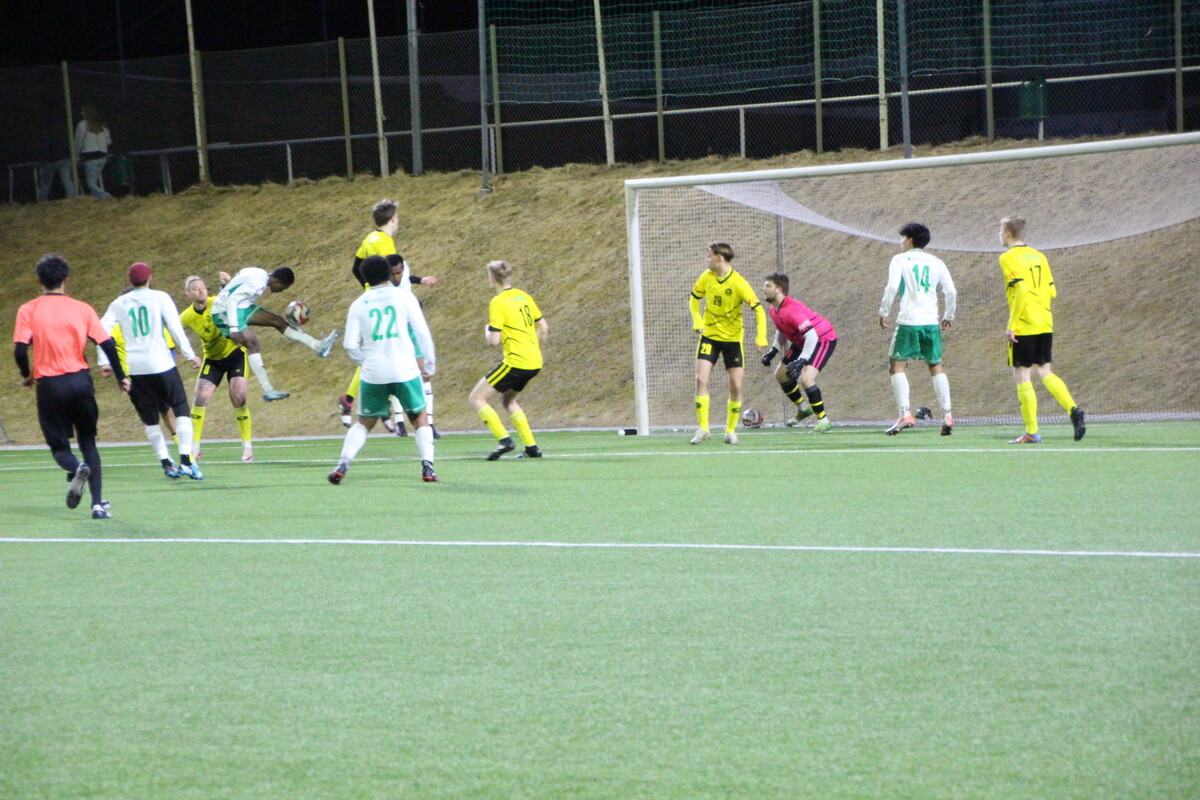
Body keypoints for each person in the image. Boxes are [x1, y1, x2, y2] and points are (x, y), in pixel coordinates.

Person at [13, 254, 130, 518]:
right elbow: (107, 343)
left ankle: (76, 468)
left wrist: (26, 374)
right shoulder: (82, 309)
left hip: (49, 385)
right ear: (65, 279)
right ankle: (97, 505)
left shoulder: (28, 310)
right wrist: (121, 376)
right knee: (88, 442)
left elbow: (20, 350)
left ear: (39, 281)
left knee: (59, 448)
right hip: (80, 382)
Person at [328, 255, 438, 484]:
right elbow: (421, 331)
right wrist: (429, 365)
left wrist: (365, 362)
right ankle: (428, 467)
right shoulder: (404, 297)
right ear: (388, 272)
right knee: (419, 418)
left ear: (365, 278)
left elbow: (349, 344)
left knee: (364, 421)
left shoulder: (358, 304)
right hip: (405, 368)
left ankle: (343, 463)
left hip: (374, 372)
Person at [336, 198, 439, 434]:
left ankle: (351, 399)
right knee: (396, 350)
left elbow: (356, 268)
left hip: (372, 301)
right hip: (385, 304)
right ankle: (410, 416)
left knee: (375, 350)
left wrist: (368, 289)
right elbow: (392, 275)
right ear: (393, 218)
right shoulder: (385, 243)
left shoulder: (369, 239)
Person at [99, 262, 203, 478]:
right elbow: (174, 327)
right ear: (150, 277)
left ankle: (165, 462)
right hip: (161, 363)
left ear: (130, 281)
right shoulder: (160, 297)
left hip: (136, 368)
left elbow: (101, 329)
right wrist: (189, 354)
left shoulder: (119, 302)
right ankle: (186, 460)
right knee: (180, 407)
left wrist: (104, 360)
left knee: (149, 417)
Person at [998, 216, 1086, 443]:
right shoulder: (1040, 256)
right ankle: (1073, 409)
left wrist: (1012, 324)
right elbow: (1052, 291)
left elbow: (1021, 291)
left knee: (1022, 375)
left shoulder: (1008, 257)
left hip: (1024, 324)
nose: (999, 234)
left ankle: (1032, 432)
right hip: (1045, 321)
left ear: (1007, 233)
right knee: (1045, 371)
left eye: (1000, 230)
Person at [210, 266, 338, 402]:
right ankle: (268, 390)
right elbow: (232, 299)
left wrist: (225, 285)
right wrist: (234, 328)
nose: (281, 291)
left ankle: (318, 346)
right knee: (252, 343)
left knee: (277, 321)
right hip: (223, 311)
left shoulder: (259, 274)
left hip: (241, 307)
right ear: (277, 281)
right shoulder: (257, 283)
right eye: (283, 287)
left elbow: (234, 287)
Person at [878, 222, 956, 436]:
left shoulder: (900, 259)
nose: (901, 242)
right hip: (930, 322)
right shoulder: (936, 262)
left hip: (908, 321)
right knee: (936, 366)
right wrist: (948, 316)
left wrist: (884, 311)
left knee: (896, 366)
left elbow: (892, 287)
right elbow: (951, 291)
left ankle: (905, 414)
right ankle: (947, 415)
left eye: (902, 238)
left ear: (910, 239)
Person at [688, 241, 768, 445]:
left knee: (736, 385)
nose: (707, 260)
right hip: (709, 337)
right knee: (700, 379)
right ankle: (703, 428)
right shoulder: (706, 277)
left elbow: (759, 310)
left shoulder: (739, 283)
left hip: (732, 340)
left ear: (719, 258)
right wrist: (698, 320)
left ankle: (730, 430)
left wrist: (761, 337)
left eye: (709, 256)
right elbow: (694, 299)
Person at [468, 260, 547, 460]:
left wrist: (487, 330)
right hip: (534, 361)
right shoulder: (524, 296)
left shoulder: (498, 302)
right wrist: (536, 349)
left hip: (516, 362)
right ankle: (531, 448)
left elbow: (494, 341)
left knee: (477, 398)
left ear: (492, 278)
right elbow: (544, 327)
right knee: (508, 400)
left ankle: (504, 440)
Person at [180, 275, 254, 462]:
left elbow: (233, 297)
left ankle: (247, 448)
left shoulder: (217, 302)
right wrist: (189, 355)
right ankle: (194, 448)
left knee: (239, 397)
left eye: (203, 287)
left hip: (235, 354)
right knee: (199, 398)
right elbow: (173, 331)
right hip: (212, 359)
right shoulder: (186, 317)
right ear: (188, 294)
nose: (201, 290)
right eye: (195, 288)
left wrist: (227, 283)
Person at [760, 272, 837, 433]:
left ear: (778, 290)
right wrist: (773, 351)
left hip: (822, 339)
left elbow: (812, 335)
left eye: (768, 286)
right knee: (781, 375)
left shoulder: (792, 309)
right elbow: (782, 329)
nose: (763, 289)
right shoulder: (774, 309)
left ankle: (823, 420)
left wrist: (802, 360)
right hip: (801, 341)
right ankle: (803, 409)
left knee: (806, 379)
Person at [74, 104, 112, 200]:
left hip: (90, 158)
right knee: (95, 181)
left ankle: (106, 196)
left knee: (91, 184)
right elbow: (108, 141)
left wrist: (76, 155)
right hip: (102, 157)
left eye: (82, 111)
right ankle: (98, 198)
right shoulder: (102, 125)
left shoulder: (82, 125)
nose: (81, 113)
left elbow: (79, 142)